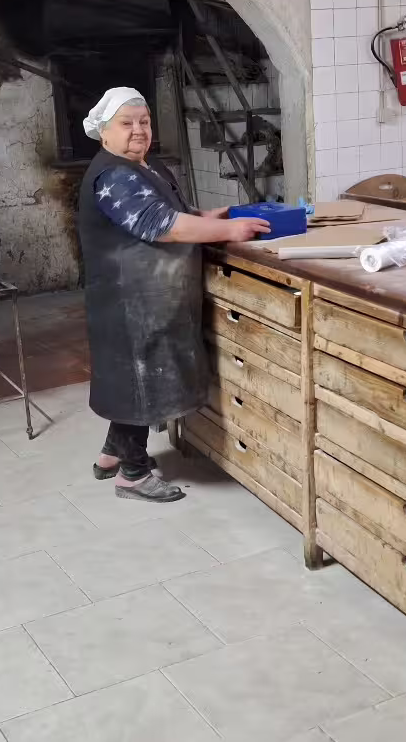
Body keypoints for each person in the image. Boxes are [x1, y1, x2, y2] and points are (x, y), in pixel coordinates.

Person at [77, 87, 270, 502]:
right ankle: (133, 474)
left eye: (143, 122)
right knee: (138, 380)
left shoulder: (145, 165)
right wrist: (230, 231)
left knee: (133, 378)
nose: (138, 131)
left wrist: (211, 216)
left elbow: (176, 213)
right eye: (126, 124)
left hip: (152, 297)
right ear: (104, 133)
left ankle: (113, 452)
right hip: (130, 300)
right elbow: (161, 225)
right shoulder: (114, 174)